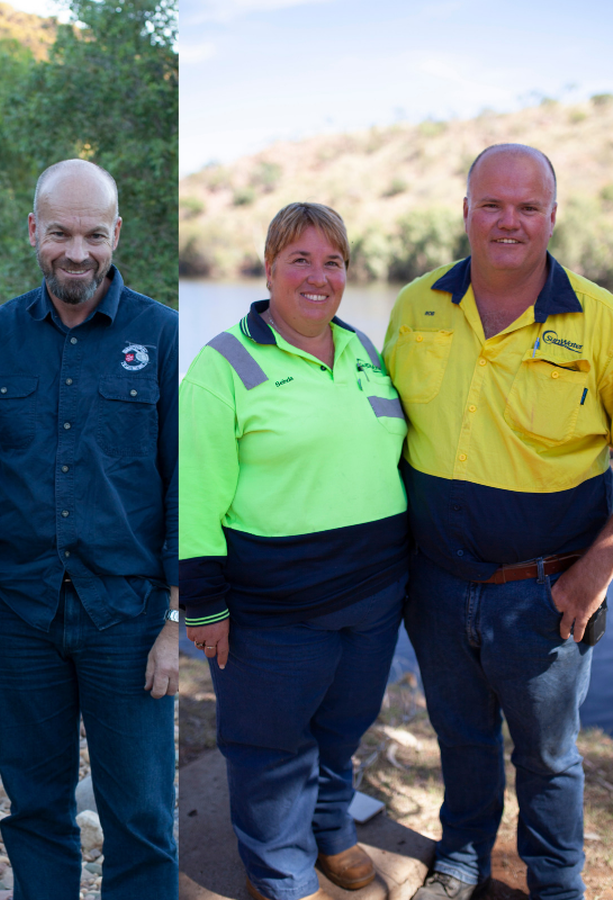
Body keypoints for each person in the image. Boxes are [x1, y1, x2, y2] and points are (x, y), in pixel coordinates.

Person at [0, 158, 178, 900]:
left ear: (117, 234)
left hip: (130, 619)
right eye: (61, 233)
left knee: (140, 812)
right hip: (18, 614)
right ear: (34, 231)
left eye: (94, 234)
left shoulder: (164, 338)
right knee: (36, 806)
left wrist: (174, 620)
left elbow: (189, 489)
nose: (77, 252)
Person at [383, 143, 612, 900]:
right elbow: (378, 431)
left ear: (552, 215)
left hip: (545, 595)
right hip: (437, 587)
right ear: (466, 212)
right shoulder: (417, 305)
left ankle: (555, 884)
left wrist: (592, 574)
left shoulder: (601, 320)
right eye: (492, 204)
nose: (507, 221)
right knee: (462, 737)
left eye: (526, 207)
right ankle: (461, 859)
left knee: (548, 760)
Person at [180, 202, 409, 900]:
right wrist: (203, 604)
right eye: (300, 260)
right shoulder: (222, 366)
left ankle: (332, 829)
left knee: (341, 728)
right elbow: (194, 494)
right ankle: (278, 868)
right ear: (270, 266)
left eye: (332, 261)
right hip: (273, 609)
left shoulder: (364, 352)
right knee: (269, 746)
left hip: (372, 601)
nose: (318, 276)